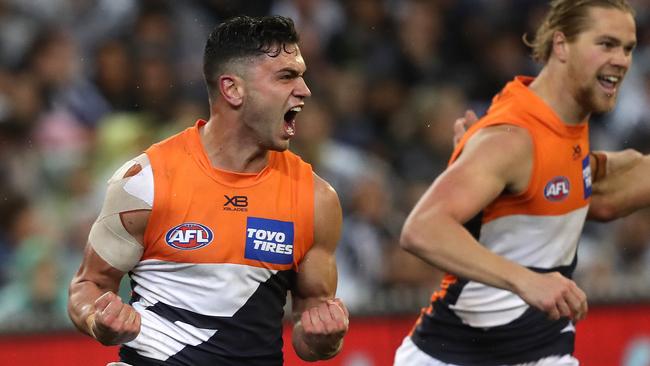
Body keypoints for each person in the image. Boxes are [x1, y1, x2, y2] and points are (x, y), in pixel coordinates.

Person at [68, 15, 349, 366]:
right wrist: (100, 321)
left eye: (301, 74)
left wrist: (326, 337)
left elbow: (310, 337)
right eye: (286, 76)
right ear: (232, 89)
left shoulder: (316, 199)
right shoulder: (146, 181)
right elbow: (88, 285)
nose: (305, 89)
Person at [394, 1, 650, 365]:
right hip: (454, 354)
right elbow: (421, 229)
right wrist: (528, 281)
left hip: (539, 351)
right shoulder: (513, 137)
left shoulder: (564, 128)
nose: (622, 60)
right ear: (561, 45)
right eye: (606, 44)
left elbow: (607, 193)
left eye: (628, 48)